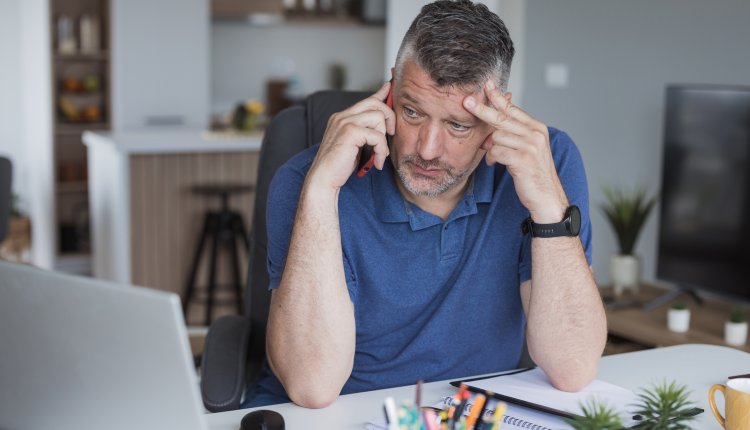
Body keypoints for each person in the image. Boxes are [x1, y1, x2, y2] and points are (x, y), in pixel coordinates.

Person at [248, 0, 607, 409]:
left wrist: (547, 205)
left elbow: (573, 367)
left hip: (467, 413)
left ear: (497, 114)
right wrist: (321, 191)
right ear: (390, 92)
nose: (428, 149)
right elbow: (311, 387)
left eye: (458, 125)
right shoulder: (304, 179)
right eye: (413, 112)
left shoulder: (547, 162)